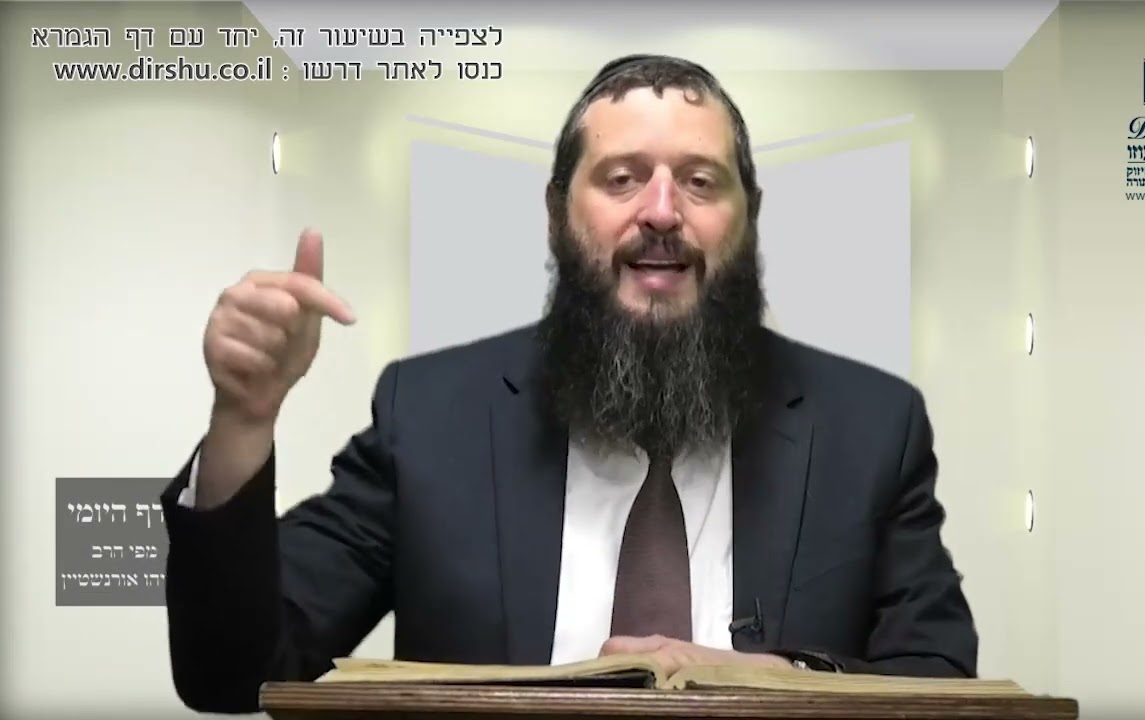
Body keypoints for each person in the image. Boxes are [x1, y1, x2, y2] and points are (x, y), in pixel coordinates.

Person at [161, 54, 978, 714]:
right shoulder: (432, 417)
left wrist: (779, 680)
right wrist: (243, 420)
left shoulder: (872, 426)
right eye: (622, 178)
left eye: (700, 181)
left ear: (749, 214)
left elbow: (940, 677)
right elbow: (232, 672)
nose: (662, 211)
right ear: (558, 213)